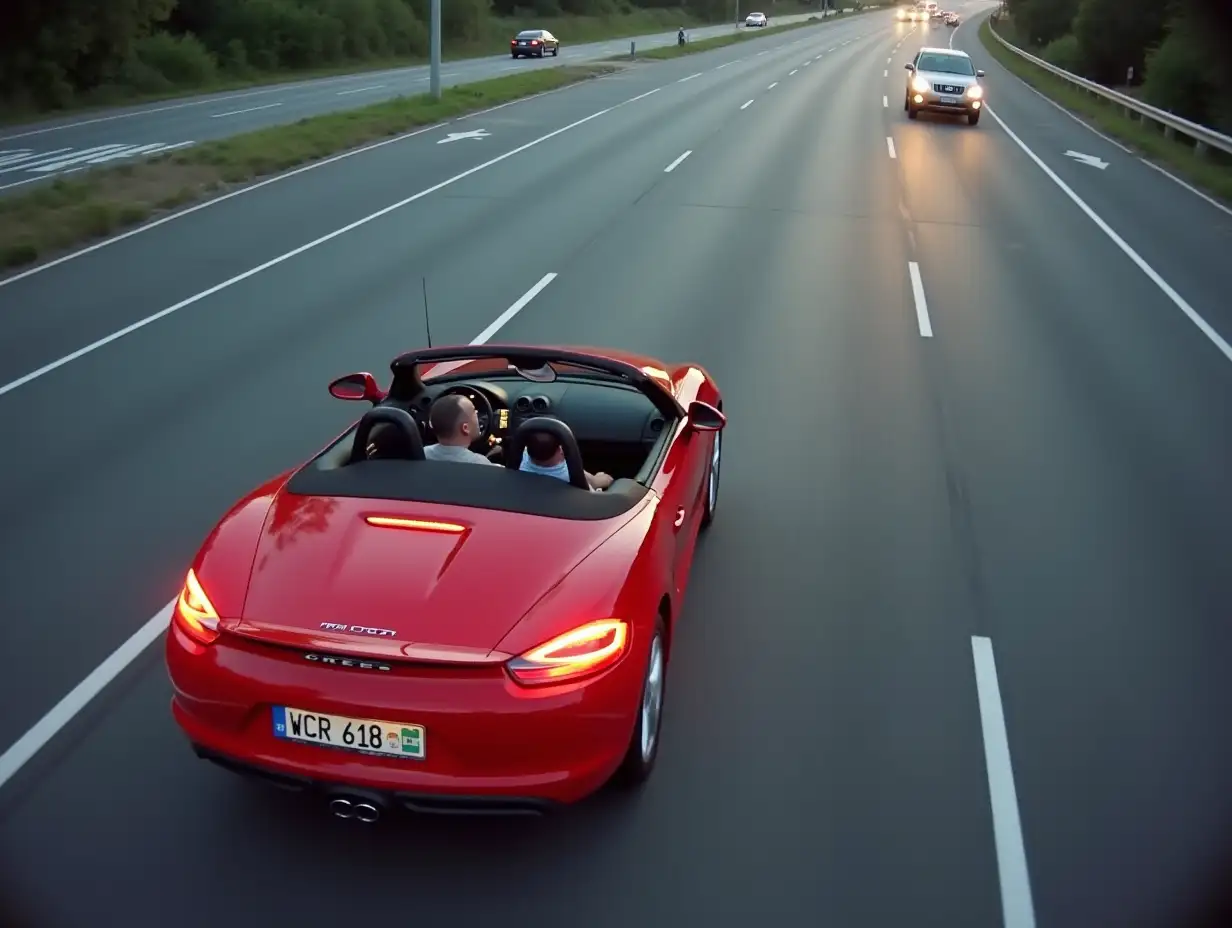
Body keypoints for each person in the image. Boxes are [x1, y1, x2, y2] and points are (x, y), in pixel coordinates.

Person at [421, 394, 504, 465]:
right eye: (474, 411)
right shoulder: (480, 463)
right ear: (465, 428)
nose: (477, 413)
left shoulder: (422, 453)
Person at [520, 430, 613, 490]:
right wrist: (601, 478)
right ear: (560, 450)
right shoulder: (571, 475)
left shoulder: (518, 461)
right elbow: (595, 484)